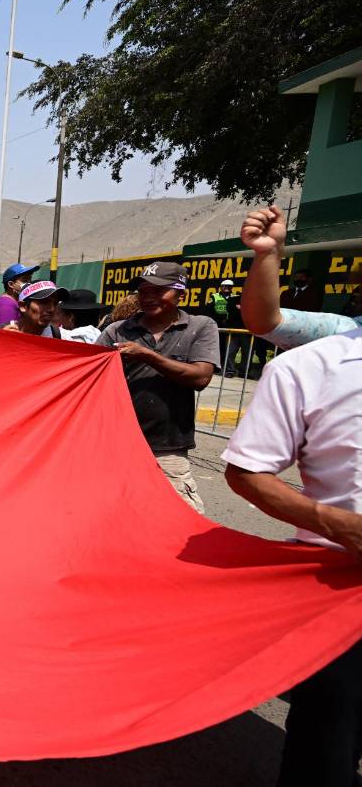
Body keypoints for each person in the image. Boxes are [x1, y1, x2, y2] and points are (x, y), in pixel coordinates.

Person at [220, 326, 362, 787]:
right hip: (340, 594)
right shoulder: (308, 367)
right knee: (327, 747)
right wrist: (338, 523)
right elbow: (247, 472)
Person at [96, 262, 219, 513]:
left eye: (158, 291)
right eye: (143, 291)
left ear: (181, 293)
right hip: (116, 445)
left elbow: (200, 378)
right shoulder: (116, 330)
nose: (148, 298)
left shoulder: (200, 326)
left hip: (167, 449)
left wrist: (147, 356)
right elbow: (89, 374)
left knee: (181, 522)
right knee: (113, 518)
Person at [240, 205, 361, 348]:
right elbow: (264, 322)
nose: (298, 279)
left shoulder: (314, 293)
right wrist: (268, 253)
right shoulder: (349, 331)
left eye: (301, 277)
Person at [3, 281, 69, 337]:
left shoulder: (61, 337)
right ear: (23, 306)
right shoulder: (0, 333)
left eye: (55, 303)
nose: (52, 309)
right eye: (44, 302)